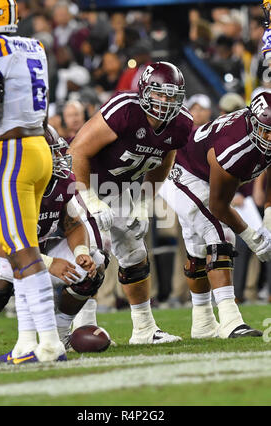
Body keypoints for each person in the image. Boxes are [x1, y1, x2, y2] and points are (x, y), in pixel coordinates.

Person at [0, 0, 73, 363]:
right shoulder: (35, 45)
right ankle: (26, 343)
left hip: (10, 153)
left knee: (22, 250)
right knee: (23, 248)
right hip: (38, 148)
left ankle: (47, 344)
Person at [68, 61, 193, 344]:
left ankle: (144, 329)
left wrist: (143, 201)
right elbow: (77, 151)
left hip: (122, 189)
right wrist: (87, 198)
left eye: (172, 95)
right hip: (84, 182)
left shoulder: (181, 123)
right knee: (93, 255)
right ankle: (81, 327)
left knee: (135, 254)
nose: (166, 102)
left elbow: (164, 162)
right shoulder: (124, 109)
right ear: (146, 91)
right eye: (160, 93)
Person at [0, 125, 107, 359]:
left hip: (34, 251)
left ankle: (60, 333)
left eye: (57, 152)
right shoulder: (3, 182)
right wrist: (47, 262)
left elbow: (73, 224)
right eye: (51, 152)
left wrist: (80, 252)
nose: (57, 158)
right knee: (1, 275)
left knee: (94, 262)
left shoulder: (60, 182)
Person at [158, 90, 271, 339]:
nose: (269, 138)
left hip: (201, 171)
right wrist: (253, 237)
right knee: (219, 233)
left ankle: (203, 323)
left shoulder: (260, 134)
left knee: (199, 250)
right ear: (253, 123)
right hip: (180, 169)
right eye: (266, 131)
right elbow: (219, 206)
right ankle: (231, 320)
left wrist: (268, 218)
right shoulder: (234, 147)